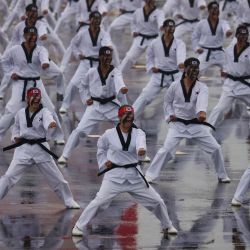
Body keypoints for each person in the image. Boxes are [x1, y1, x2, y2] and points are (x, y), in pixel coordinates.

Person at [71, 104, 178, 237]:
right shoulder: (109, 134)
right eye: (125, 117)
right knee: (99, 203)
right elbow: (101, 148)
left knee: (157, 201)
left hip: (134, 177)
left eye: (130, 117)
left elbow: (141, 146)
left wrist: (141, 152)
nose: (128, 119)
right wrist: (104, 163)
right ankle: (79, 227)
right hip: (114, 176)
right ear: (119, 117)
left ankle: (167, 226)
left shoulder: (139, 133)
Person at [144, 57, 231, 183]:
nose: (194, 71)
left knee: (216, 148)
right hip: (177, 124)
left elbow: (202, 102)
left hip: (195, 125)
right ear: (185, 69)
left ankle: (222, 175)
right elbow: (167, 102)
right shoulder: (174, 85)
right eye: (192, 68)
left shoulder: (202, 87)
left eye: (196, 69)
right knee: (166, 150)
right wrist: (170, 115)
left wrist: (201, 112)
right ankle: (150, 175)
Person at [0, 87, 80, 209]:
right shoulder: (20, 113)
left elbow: (49, 121)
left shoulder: (45, 112)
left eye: (38, 98)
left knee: (57, 178)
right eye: (33, 97)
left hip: (41, 149)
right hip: (23, 149)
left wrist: (50, 125)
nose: (36, 100)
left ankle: (69, 201)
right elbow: (15, 129)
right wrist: (15, 137)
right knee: (9, 177)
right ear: (27, 98)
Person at [58, 46, 128, 164]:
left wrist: (122, 88)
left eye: (109, 56)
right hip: (95, 107)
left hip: (111, 106)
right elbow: (83, 86)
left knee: (129, 127)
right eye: (105, 56)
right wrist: (86, 99)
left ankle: (141, 154)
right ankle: (65, 156)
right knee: (79, 131)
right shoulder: (91, 72)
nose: (107, 58)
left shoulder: (115, 72)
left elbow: (119, 82)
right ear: (99, 57)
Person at [0, 26, 64, 143]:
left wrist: (45, 64)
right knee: (11, 111)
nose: (32, 37)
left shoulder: (41, 50)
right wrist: (10, 73)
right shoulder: (15, 50)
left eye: (34, 35)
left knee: (50, 108)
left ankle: (57, 136)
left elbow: (44, 59)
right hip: (20, 83)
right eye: (29, 35)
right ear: (24, 36)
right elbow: (4, 61)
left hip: (36, 83)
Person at [59, 11, 114, 114]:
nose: (96, 21)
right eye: (94, 19)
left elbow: (107, 44)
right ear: (90, 20)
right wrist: (78, 54)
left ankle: (111, 108)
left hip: (99, 64)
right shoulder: (82, 33)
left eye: (98, 20)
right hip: (85, 63)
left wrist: (108, 47)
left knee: (107, 85)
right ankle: (64, 106)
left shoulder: (104, 34)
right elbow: (73, 44)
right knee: (74, 84)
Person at [133, 19, 186, 119]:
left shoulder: (179, 43)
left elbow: (181, 55)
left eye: (172, 27)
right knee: (145, 96)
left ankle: (187, 123)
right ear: (163, 28)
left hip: (175, 76)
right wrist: (151, 67)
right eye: (168, 27)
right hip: (158, 76)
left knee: (183, 99)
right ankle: (130, 117)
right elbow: (149, 57)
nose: (170, 29)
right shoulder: (154, 43)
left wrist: (181, 63)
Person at [208, 24, 250, 129]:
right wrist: (224, 71)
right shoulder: (230, 48)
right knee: (219, 109)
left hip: (246, 85)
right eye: (240, 35)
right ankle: (206, 131)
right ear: (236, 36)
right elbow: (225, 63)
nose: (243, 38)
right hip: (230, 86)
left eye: (245, 36)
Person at [119, 0, 164, 73]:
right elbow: (133, 23)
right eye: (148, 1)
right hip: (140, 39)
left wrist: (162, 27)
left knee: (156, 62)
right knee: (129, 58)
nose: (150, 3)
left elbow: (161, 23)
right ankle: (117, 76)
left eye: (152, 2)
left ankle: (158, 81)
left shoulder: (159, 13)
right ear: (145, 2)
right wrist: (133, 31)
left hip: (154, 40)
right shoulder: (137, 12)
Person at [192, 1, 233, 74]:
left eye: (217, 9)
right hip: (205, 52)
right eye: (213, 9)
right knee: (195, 72)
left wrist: (228, 32)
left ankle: (228, 85)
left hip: (219, 53)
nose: (215, 11)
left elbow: (226, 28)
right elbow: (195, 37)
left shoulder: (223, 22)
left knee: (230, 71)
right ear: (208, 10)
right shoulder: (201, 23)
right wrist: (197, 48)